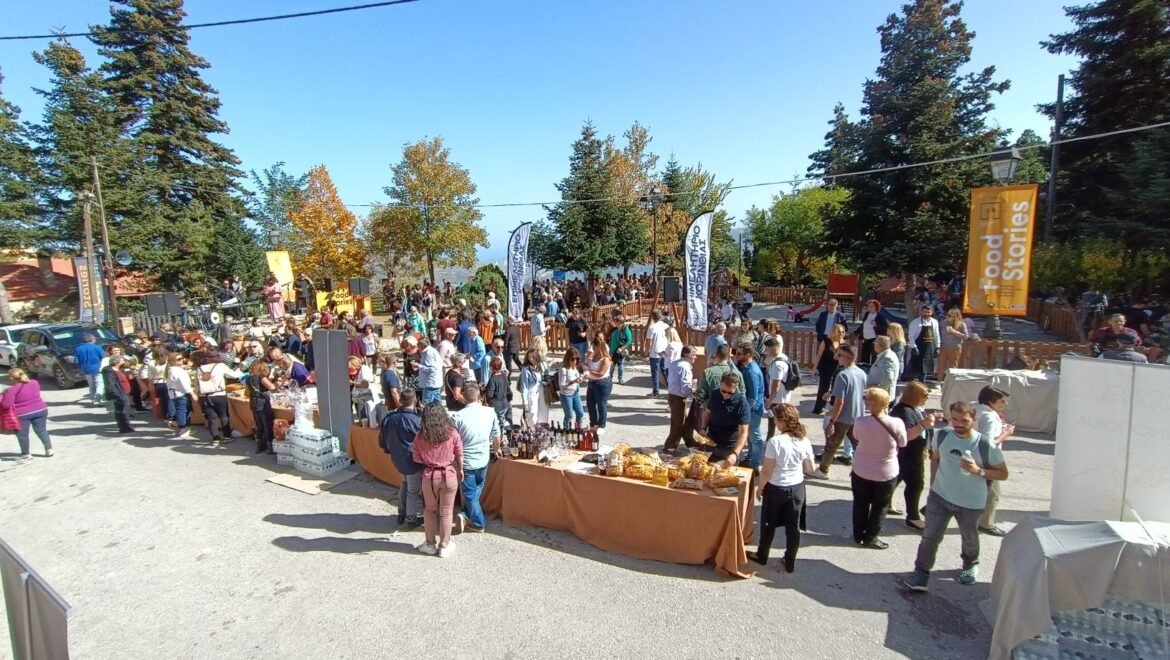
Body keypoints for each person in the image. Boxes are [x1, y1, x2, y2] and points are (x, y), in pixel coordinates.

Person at [902, 401, 1008, 591]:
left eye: (964, 420)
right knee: (930, 537)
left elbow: (1003, 473)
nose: (959, 424)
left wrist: (978, 470)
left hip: (971, 502)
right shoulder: (942, 435)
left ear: (974, 420)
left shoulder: (985, 444)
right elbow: (935, 458)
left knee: (969, 538)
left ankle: (970, 564)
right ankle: (921, 573)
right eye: (955, 419)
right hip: (940, 498)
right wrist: (934, 485)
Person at [747, 403, 814, 572]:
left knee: (769, 524)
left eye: (776, 420)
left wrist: (760, 488)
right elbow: (810, 468)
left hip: (777, 488)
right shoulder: (804, 440)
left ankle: (762, 555)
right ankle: (790, 560)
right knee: (793, 527)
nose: (775, 423)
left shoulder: (775, 442)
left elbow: (767, 471)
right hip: (797, 488)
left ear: (783, 422)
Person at [850, 387, 908, 550]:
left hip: (861, 469)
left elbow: (856, 436)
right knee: (880, 506)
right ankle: (871, 536)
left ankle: (858, 534)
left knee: (860, 503)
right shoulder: (897, 423)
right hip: (885, 472)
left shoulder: (860, 421)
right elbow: (903, 443)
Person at [412, 402, 464, 558]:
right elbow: (460, 453)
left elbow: (416, 457)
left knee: (429, 510)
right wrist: (460, 470)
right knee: (447, 512)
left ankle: (429, 543)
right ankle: (444, 545)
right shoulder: (452, 433)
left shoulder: (420, 436)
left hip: (429, 475)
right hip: (448, 474)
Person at [889, 382, 940, 530]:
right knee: (915, 484)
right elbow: (907, 435)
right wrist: (924, 425)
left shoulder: (913, 408)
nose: (927, 398)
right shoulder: (904, 411)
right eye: (924, 395)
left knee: (896, 480)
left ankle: (884, 504)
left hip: (913, 453)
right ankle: (913, 517)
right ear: (914, 396)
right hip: (908, 454)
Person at [451, 382, 500, 534]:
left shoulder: (458, 416)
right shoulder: (490, 412)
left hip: (466, 461)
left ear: (463, 397)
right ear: (479, 395)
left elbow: (451, 439)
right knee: (475, 490)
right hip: (483, 458)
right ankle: (466, 514)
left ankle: (478, 523)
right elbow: (496, 435)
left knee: (470, 494)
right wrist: (496, 450)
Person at [813, 343, 867, 479]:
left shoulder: (842, 375)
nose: (837, 357)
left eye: (839, 355)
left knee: (831, 444)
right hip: (858, 416)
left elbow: (840, 402)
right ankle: (863, 470)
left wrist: (832, 421)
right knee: (859, 447)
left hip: (842, 417)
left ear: (847, 357)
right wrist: (832, 392)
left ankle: (823, 470)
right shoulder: (862, 373)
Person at [974, 386, 1015, 537]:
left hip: (971, 455)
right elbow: (989, 443)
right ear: (991, 402)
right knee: (993, 493)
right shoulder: (989, 417)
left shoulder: (976, 408)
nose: (1005, 404)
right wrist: (1006, 434)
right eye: (1002, 401)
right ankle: (986, 523)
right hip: (988, 460)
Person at [379, 388, 423, 524]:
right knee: (412, 490)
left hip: (397, 458)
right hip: (412, 460)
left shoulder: (389, 418)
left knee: (405, 484)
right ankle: (410, 518)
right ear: (415, 400)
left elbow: (382, 440)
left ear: (401, 401)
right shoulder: (416, 420)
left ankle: (401, 513)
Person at [2, 368, 53, 459]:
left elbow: (6, 405)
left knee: (22, 434)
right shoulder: (34, 382)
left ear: (12, 378)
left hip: (22, 414)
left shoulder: (11, 390)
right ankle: (49, 449)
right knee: (41, 430)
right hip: (40, 409)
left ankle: (26, 453)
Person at [194, 352, 243, 443]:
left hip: (204, 396)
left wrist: (197, 394)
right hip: (219, 394)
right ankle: (227, 436)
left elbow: (197, 385)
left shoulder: (199, 368)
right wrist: (240, 370)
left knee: (211, 418)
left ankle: (215, 438)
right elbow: (233, 375)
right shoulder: (220, 366)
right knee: (223, 415)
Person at [704, 370, 749, 469]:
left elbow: (744, 433)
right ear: (720, 385)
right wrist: (703, 429)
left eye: (730, 393)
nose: (726, 395)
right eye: (723, 391)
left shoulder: (742, 403)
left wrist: (735, 454)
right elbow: (708, 412)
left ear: (736, 388)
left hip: (729, 447)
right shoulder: (715, 394)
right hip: (711, 443)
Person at [733, 344, 766, 470]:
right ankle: (750, 458)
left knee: (755, 437)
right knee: (751, 437)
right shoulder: (745, 367)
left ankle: (755, 465)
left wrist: (744, 412)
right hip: (751, 408)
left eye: (740, 354)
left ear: (748, 355)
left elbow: (752, 397)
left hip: (753, 410)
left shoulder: (752, 371)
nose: (737, 356)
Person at [664, 345, 698, 454]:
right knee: (678, 424)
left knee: (686, 423)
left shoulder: (675, 363)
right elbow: (685, 387)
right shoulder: (685, 367)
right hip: (679, 398)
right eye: (694, 355)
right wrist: (693, 389)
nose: (695, 357)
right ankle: (669, 448)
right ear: (686, 355)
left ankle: (691, 443)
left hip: (672, 395)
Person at [811, 323, 846, 415]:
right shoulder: (826, 341)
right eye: (839, 331)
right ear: (834, 332)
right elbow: (819, 355)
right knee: (823, 387)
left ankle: (833, 405)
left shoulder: (843, 343)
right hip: (825, 366)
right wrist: (815, 367)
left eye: (843, 331)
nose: (841, 333)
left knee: (836, 386)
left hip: (838, 367)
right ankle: (819, 407)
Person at [583, 334, 614, 434]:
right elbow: (585, 364)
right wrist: (585, 363)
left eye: (595, 347)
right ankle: (593, 423)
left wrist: (589, 370)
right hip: (592, 383)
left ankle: (602, 425)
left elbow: (601, 373)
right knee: (590, 404)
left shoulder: (605, 359)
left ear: (599, 347)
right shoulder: (594, 357)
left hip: (602, 383)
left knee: (601, 405)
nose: (593, 349)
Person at [763, 337, 790, 440]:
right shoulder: (784, 357)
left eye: (767, 349)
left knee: (776, 420)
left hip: (777, 399)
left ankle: (771, 439)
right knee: (780, 420)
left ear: (773, 348)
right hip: (784, 396)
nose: (766, 352)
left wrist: (770, 400)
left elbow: (776, 384)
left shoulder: (777, 364)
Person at [165, 353, 195, 440]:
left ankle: (182, 428)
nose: (182, 360)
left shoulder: (169, 370)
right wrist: (192, 393)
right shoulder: (179, 371)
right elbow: (185, 385)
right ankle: (183, 429)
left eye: (182, 358)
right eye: (179, 359)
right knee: (182, 411)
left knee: (180, 410)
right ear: (173, 361)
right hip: (181, 393)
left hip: (173, 393)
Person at [908, 305, 941, 383]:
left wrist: (937, 347)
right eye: (925, 312)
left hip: (929, 348)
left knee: (925, 368)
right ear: (921, 312)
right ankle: (911, 385)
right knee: (915, 368)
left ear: (932, 312)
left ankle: (922, 384)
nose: (926, 314)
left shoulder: (935, 322)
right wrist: (914, 347)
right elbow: (911, 336)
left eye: (928, 312)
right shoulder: (915, 322)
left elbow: (936, 334)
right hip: (918, 348)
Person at [518, 349, 548, 429]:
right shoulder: (525, 369)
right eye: (529, 357)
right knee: (533, 412)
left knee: (543, 412)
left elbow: (546, 376)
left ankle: (542, 429)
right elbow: (524, 387)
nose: (531, 359)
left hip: (542, 390)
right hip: (532, 392)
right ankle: (533, 430)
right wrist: (525, 402)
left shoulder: (542, 365)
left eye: (533, 357)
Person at [558, 347, 586, 429]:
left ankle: (578, 430)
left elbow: (578, 379)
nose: (575, 361)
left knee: (580, 413)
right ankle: (568, 433)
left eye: (576, 359)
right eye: (572, 359)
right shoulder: (563, 370)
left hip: (575, 393)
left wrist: (581, 379)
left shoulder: (575, 368)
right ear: (568, 359)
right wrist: (573, 381)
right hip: (566, 395)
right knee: (569, 415)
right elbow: (562, 385)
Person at [937, 308, 969, 381]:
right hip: (943, 347)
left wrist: (955, 332)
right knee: (941, 366)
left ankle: (952, 382)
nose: (947, 317)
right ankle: (939, 382)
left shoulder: (962, 324)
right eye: (948, 315)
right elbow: (938, 334)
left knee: (953, 367)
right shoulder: (943, 323)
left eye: (950, 315)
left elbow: (966, 336)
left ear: (955, 317)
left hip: (955, 348)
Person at [74, 334, 106, 406]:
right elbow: (103, 356)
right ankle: (97, 400)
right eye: (94, 338)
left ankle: (92, 400)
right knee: (100, 384)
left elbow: (76, 361)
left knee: (91, 385)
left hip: (86, 370)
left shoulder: (78, 349)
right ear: (92, 339)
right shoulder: (97, 347)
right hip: (98, 368)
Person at [866, 336, 900, 400]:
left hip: (881, 397)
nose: (873, 345)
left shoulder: (887, 357)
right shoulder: (884, 355)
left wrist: (878, 392)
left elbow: (888, 379)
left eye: (875, 343)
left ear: (881, 345)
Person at [412, 337, 444, 405]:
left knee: (427, 405)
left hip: (430, 383)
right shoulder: (431, 351)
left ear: (423, 345)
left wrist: (419, 366)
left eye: (418, 344)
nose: (417, 346)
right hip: (433, 383)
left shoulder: (429, 353)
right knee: (437, 403)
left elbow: (432, 369)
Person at [646, 310, 669, 397]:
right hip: (665, 351)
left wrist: (646, 351)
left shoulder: (652, 328)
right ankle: (670, 389)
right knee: (665, 371)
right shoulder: (666, 326)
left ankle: (656, 391)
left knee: (655, 372)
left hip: (654, 352)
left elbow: (649, 342)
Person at [482, 357, 512, 425]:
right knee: (502, 421)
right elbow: (508, 390)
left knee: (496, 424)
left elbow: (490, 395)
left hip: (496, 406)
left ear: (492, 367)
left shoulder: (492, 379)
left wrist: (484, 389)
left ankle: (500, 434)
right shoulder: (504, 376)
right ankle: (504, 432)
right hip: (504, 404)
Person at [608, 315, 634, 385]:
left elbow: (629, 341)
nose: (615, 323)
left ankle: (620, 378)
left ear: (620, 322)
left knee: (620, 364)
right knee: (612, 365)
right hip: (612, 350)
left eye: (616, 321)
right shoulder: (614, 329)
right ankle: (609, 378)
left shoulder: (626, 329)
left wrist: (621, 348)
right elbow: (611, 339)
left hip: (620, 350)